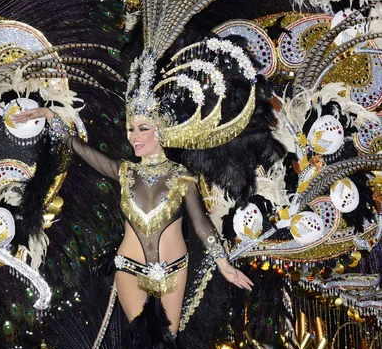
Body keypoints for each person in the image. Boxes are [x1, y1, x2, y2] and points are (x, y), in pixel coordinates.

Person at [13, 108, 253, 336]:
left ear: (160, 130)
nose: (133, 136)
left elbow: (201, 223)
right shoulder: (124, 171)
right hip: (129, 269)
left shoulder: (182, 177)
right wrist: (49, 115)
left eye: (142, 128)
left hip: (174, 269)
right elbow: (77, 146)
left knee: (167, 344)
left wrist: (224, 265)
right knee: (140, 344)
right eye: (130, 129)